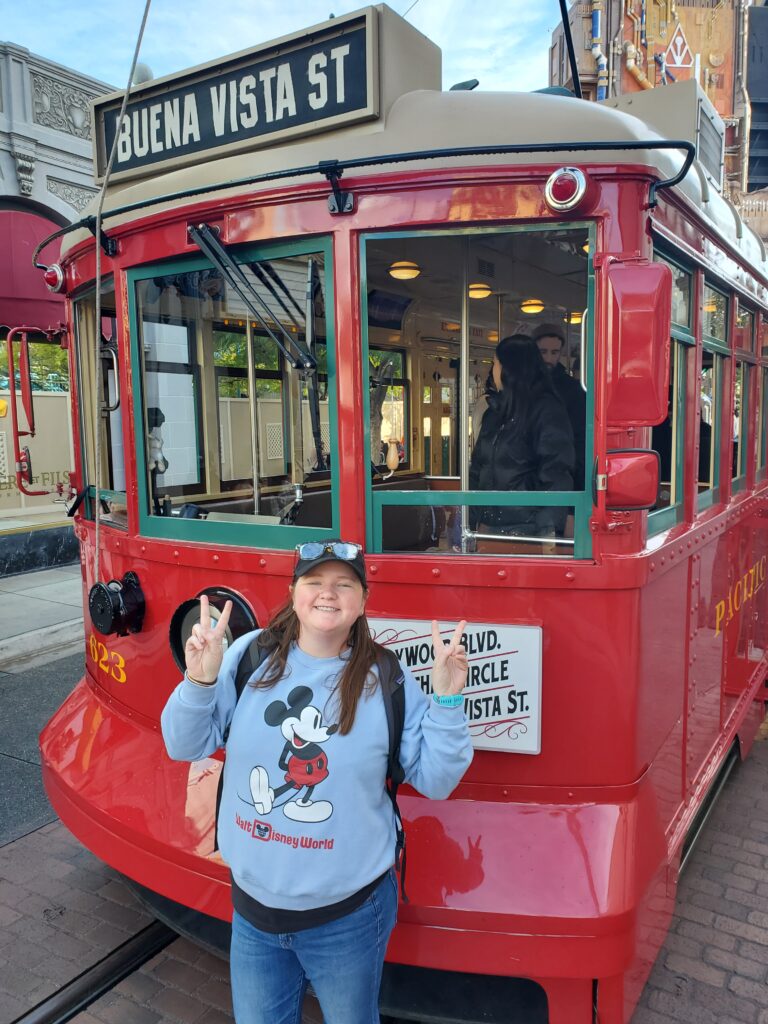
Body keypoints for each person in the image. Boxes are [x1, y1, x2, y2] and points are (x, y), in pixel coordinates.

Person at [161, 540, 473, 1024]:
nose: (328, 594)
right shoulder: (249, 656)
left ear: (363, 601)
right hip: (253, 915)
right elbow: (184, 745)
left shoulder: (385, 677)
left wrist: (449, 704)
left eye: (343, 584)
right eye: (314, 582)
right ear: (293, 592)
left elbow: (435, 780)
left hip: (347, 920)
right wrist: (198, 682)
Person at [469, 335, 574, 544]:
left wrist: (547, 533)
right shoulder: (495, 414)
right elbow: (478, 468)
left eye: (495, 363)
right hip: (489, 526)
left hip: (528, 528)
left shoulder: (546, 411)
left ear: (509, 368)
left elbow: (556, 474)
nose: (493, 371)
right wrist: (473, 518)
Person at [532, 324, 586, 489]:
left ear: (560, 353)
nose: (548, 358)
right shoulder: (525, 386)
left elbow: (580, 443)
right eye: (543, 352)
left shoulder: (573, 391)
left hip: (561, 478)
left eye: (554, 352)